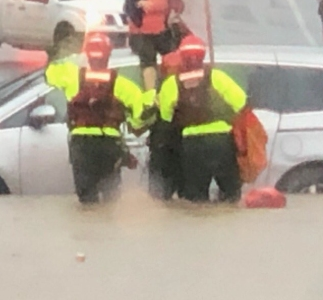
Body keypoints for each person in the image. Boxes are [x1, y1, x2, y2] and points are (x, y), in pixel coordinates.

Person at [48, 32, 145, 204]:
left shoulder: (72, 77)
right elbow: (140, 112)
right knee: (112, 199)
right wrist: (133, 125)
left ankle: (89, 227)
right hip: (110, 145)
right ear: (108, 55)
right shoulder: (122, 84)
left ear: (87, 55)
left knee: (86, 200)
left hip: (82, 144)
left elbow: (50, 74)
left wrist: (65, 51)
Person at [157, 35, 247, 203]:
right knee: (231, 194)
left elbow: (165, 116)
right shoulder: (217, 77)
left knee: (196, 199)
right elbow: (240, 101)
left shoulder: (172, 83)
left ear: (182, 57)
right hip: (221, 142)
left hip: (192, 145)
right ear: (202, 56)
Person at [124, 0, 187, 94]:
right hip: (140, 33)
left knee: (173, 56)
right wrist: (139, 3)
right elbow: (128, 7)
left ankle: (172, 89)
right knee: (148, 57)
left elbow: (179, 9)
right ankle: (151, 95)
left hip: (161, 33)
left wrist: (178, 1)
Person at [147, 51, 184, 200]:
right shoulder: (200, 87)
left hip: (162, 152)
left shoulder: (160, 92)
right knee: (190, 200)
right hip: (186, 153)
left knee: (158, 199)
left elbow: (141, 120)